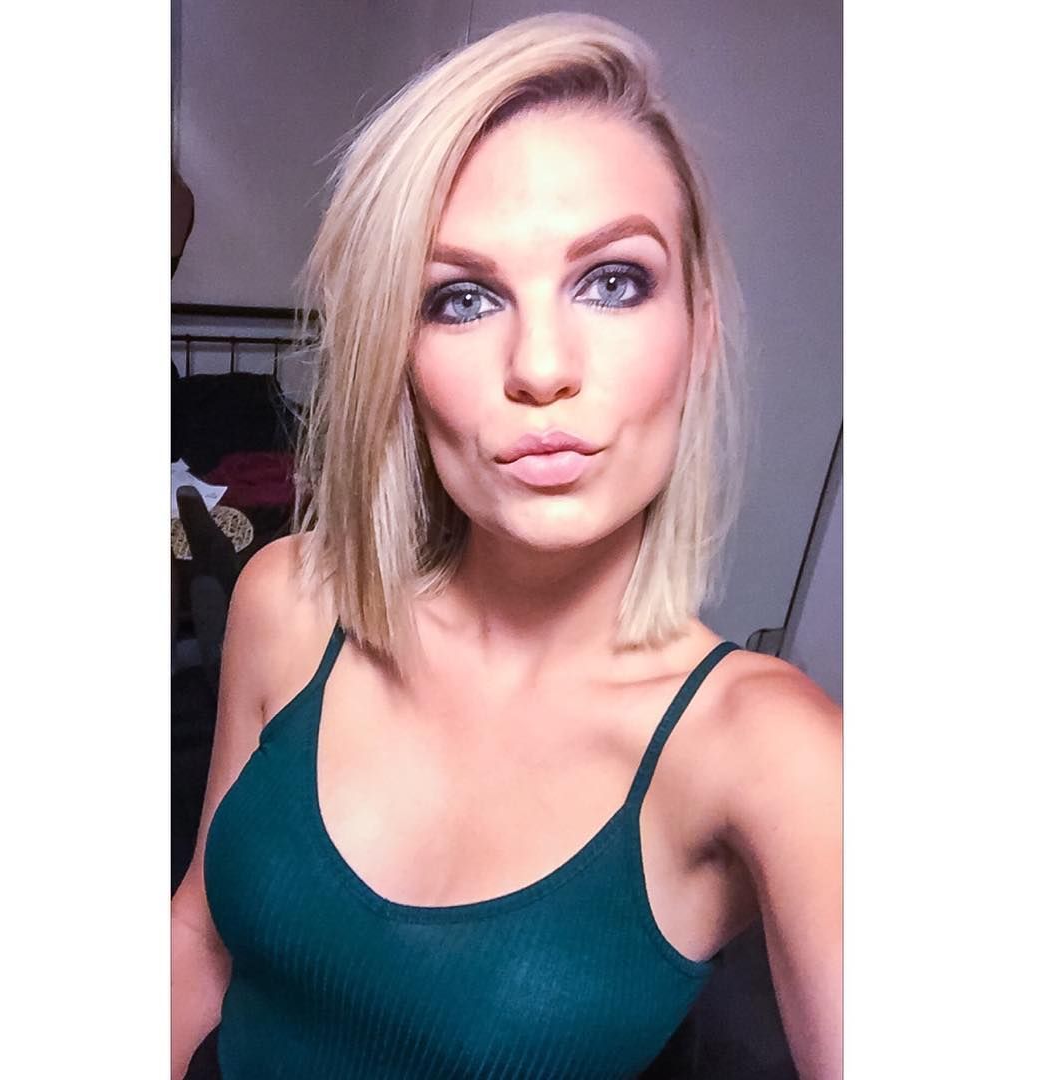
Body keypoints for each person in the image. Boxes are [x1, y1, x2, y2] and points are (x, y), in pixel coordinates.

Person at [170, 13, 841, 1079]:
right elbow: (197, 941)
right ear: (400, 353)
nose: (539, 366)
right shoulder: (289, 598)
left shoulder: (771, 749)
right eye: (463, 298)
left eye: (613, 281)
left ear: (701, 329)